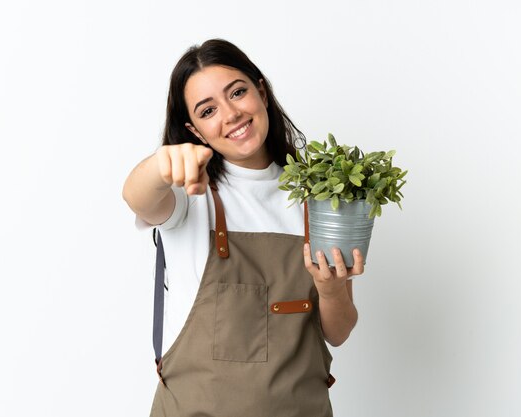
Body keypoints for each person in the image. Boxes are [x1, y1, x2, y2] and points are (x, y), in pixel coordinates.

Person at [122, 39, 364, 417]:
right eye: (208, 110)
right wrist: (161, 163)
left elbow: (338, 331)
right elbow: (137, 197)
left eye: (237, 92)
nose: (231, 114)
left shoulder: (318, 199)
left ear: (261, 92)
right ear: (195, 131)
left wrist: (331, 291)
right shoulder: (189, 194)